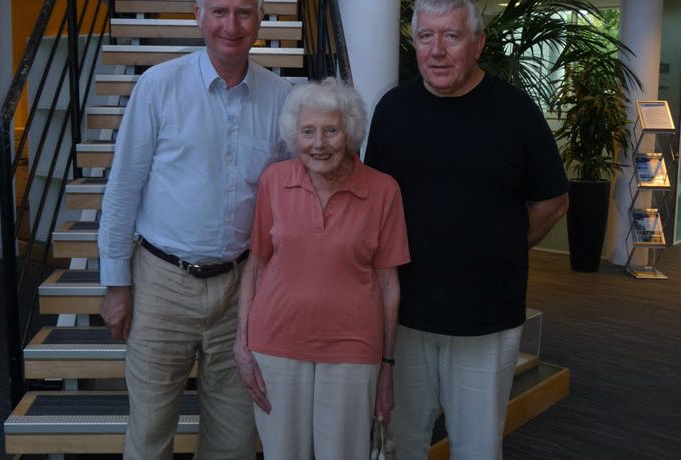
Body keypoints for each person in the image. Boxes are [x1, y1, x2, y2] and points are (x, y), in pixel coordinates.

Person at [364, 1, 570, 459]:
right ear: (413, 43)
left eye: (451, 37)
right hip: (405, 316)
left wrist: (500, 247)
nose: (436, 51)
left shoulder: (515, 113)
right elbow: (372, 202)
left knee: (477, 447)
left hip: (486, 318)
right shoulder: (393, 110)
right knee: (401, 443)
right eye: (425, 37)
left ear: (478, 43)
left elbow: (554, 201)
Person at [97, 0, 291, 458]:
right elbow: (124, 186)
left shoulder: (281, 97)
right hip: (161, 285)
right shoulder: (158, 86)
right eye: (219, 11)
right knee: (149, 434)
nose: (232, 25)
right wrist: (115, 284)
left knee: (235, 439)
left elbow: (287, 202)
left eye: (244, 12)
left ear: (259, 19)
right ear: (199, 17)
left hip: (241, 290)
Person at [233, 77, 411, 460]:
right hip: (276, 345)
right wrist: (241, 343)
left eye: (331, 130)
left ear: (349, 134)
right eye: (308, 131)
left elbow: (388, 285)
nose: (318, 143)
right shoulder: (274, 182)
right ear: (294, 136)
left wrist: (387, 364)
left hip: (353, 348)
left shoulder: (383, 191)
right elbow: (257, 264)